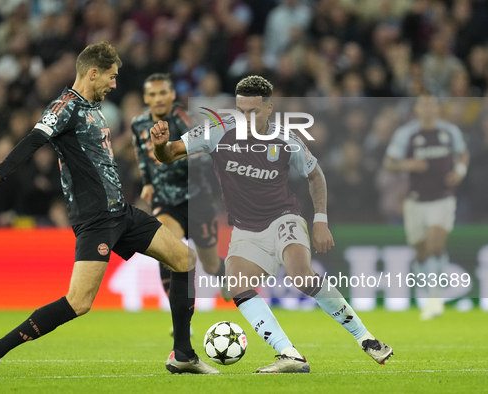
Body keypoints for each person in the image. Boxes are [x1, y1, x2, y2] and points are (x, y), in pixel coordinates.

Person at [0, 41, 219, 378]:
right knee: (79, 303)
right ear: (93, 73)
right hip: (95, 219)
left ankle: (183, 355)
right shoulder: (65, 105)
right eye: (111, 77)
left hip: (122, 213)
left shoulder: (94, 108)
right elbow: (35, 138)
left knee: (185, 260)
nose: (114, 84)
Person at [151, 75, 393, 373]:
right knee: (236, 285)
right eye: (241, 110)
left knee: (301, 276)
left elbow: (315, 175)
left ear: (269, 108)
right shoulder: (217, 131)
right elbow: (169, 154)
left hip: (283, 218)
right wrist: (161, 145)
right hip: (245, 228)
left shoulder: (286, 139)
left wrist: (320, 220)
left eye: (254, 111)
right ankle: (291, 355)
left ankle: (366, 338)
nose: (247, 118)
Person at [131, 73, 227, 301]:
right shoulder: (139, 125)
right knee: (167, 251)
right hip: (165, 201)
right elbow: (143, 156)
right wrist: (147, 182)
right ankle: (180, 312)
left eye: (163, 92)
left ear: (172, 95)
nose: (159, 98)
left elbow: (206, 153)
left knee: (210, 264)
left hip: (197, 199)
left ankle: (224, 275)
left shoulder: (186, 120)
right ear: (146, 98)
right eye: (153, 94)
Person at [383, 95, 469, 320]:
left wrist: (459, 172)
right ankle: (430, 292)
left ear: (438, 109)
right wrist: (406, 164)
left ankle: (434, 298)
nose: (429, 110)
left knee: (434, 244)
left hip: (443, 198)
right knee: (421, 251)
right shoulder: (406, 134)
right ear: (418, 110)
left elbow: (463, 154)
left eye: (433, 105)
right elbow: (389, 162)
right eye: (425, 106)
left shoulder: (450, 131)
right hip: (415, 200)